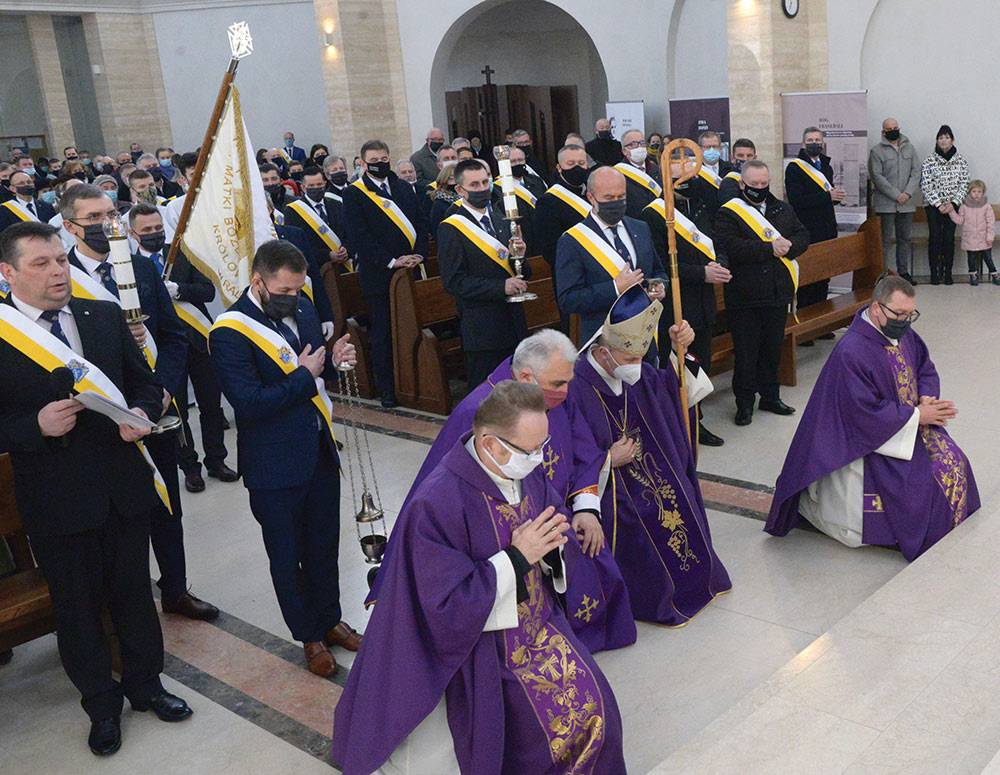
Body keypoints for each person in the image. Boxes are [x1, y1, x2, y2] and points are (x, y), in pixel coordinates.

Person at [332, 380, 626, 775]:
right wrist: (517, 558)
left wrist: (555, 544)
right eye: (531, 450)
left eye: (543, 447)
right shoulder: (437, 503)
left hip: (541, 625)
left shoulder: (525, 471)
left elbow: (555, 520)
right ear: (489, 444)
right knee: (543, 735)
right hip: (482, 645)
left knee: (599, 707)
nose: (539, 459)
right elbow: (445, 607)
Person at [0, 222, 193, 756]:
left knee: (134, 592)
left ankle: (147, 686)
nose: (58, 271)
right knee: (77, 607)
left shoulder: (102, 315)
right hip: (56, 498)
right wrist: (32, 426)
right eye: (41, 264)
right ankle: (101, 707)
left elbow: (148, 382)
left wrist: (143, 411)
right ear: (8, 272)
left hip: (122, 484)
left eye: (61, 260)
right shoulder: (3, 335)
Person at [374, 328, 636, 653]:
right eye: (558, 384)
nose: (566, 393)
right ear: (526, 375)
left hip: (553, 511)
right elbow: (446, 495)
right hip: (498, 535)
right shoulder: (479, 412)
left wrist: (585, 507)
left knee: (593, 557)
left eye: (569, 382)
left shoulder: (548, 393)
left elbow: (582, 448)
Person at [61, 187, 218, 621]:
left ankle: (175, 589)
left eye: (111, 214)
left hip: (155, 406)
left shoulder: (143, 267)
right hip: (102, 413)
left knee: (167, 503)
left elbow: (170, 335)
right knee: (116, 517)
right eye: (93, 217)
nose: (106, 223)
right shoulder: (64, 277)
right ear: (71, 227)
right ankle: (122, 604)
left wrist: (165, 387)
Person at [209, 239, 361, 676]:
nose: (293, 298)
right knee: (287, 553)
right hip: (273, 463)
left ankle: (331, 619)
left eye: (299, 289)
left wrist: (335, 361)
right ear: (258, 282)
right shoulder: (229, 332)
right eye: (285, 291)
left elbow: (319, 368)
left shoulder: (304, 307)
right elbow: (250, 403)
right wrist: (305, 375)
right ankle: (309, 635)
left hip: (317, 448)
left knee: (324, 543)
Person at [766, 276, 980, 560]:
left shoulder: (901, 334)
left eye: (910, 314)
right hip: (868, 440)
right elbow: (861, 414)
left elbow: (925, 368)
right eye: (899, 314)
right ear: (877, 308)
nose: (905, 321)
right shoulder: (852, 351)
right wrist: (917, 415)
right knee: (922, 483)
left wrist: (926, 397)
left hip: (907, 424)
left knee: (955, 461)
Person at [567, 283, 732, 624]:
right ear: (602, 353)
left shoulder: (632, 370)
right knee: (640, 515)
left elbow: (668, 391)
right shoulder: (574, 387)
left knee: (680, 492)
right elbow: (567, 452)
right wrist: (608, 459)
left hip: (649, 466)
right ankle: (657, 598)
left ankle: (701, 580)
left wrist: (679, 350)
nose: (636, 367)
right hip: (604, 486)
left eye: (641, 358)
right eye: (629, 359)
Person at [715, 160, 810, 426]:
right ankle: (744, 404)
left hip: (777, 292)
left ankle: (770, 396)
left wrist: (790, 246)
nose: (759, 188)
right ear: (742, 184)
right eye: (754, 184)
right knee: (746, 353)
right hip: (745, 295)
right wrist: (769, 249)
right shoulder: (729, 212)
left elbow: (803, 235)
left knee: (772, 349)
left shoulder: (782, 208)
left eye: (764, 184)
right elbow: (730, 246)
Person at [643, 159, 730, 446]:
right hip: (676, 307)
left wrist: (720, 265)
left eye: (690, 176)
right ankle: (673, 423)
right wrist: (701, 273)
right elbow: (658, 265)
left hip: (704, 304)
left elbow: (717, 243)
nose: (687, 183)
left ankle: (696, 421)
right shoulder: (652, 215)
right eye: (679, 179)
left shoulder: (701, 207)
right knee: (676, 367)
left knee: (698, 364)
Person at [343, 139, 428, 407]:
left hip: (412, 270)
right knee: (384, 333)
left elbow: (420, 222)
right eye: (374, 161)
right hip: (380, 274)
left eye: (384, 159)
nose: (380, 164)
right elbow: (359, 236)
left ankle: (418, 382)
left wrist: (419, 254)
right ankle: (388, 389)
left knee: (413, 327)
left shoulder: (402, 187)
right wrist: (392, 261)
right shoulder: (355, 193)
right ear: (362, 163)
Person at [438, 160, 531, 385]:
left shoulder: (500, 219)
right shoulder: (451, 228)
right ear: (460, 190)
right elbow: (454, 282)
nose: (481, 189)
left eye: (484, 182)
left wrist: (518, 256)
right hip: (483, 329)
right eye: (474, 185)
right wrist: (501, 287)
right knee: (487, 400)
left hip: (513, 323)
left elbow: (522, 273)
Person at [555, 166, 666, 349]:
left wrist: (658, 287)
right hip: (604, 342)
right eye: (608, 198)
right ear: (591, 198)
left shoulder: (641, 228)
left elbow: (657, 271)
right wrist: (615, 288)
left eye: (621, 197)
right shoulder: (572, 240)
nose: (616, 203)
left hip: (644, 337)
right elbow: (569, 299)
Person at [785, 126, 847, 314]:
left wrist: (834, 198)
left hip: (827, 227)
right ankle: (806, 323)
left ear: (822, 143)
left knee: (824, 276)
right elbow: (796, 200)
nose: (814, 144)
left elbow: (827, 197)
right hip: (807, 229)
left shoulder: (825, 166)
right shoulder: (795, 168)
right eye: (810, 141)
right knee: (809, 276)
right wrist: (827, 197)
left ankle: (821, 322)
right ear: (803, 144)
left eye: (817, 140)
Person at [868, 118, 921, 283]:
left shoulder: (910, 149)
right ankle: (882, 274)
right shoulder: (876, 151)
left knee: (903, 239)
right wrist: (896, 195)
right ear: (883, 132)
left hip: (907, 204)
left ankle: (903, 273)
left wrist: (907, 193)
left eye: (895, 127)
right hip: (886, 205)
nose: (893, 130)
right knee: (883, 241)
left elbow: (916, 172)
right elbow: (877, 177)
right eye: (889, 128)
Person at [920, 125, 970, 285]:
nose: (944, 140)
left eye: (947, 137)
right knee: (934, 238)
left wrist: (953, 203)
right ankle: (934, 273)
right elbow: (925, 184)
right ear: (937, 140)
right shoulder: (929, 160)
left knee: (948, 239)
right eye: (941, 137)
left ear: (952, 140)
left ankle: (948, 273)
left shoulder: (961, 160)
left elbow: (964, 183)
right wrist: (938, 204)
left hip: (953, 206)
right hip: (933, 207)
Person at [534, 144, 592, 269]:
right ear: (559, 168)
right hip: (572, 271)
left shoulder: (594, 193)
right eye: (571, 164)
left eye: (581, 163)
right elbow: (551, 250)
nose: (577, 167)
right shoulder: (547, 202)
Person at [283, 166, 352, 272]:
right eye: (311, 185)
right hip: (317, 270)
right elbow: (297, 245)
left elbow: (350, 231)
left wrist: (346, 248)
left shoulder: (337, 204)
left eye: (319, 184)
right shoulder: (292, 211)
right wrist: (327, 255)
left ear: (324, 184)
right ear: (303, 188)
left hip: (345, 265)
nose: (316, 188)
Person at [949, 179, 998, 285]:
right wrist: (951, 212)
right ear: (969, 192)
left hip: (983, 237)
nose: (976, 194)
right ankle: (973, 275)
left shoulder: (986, 206)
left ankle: (994, 274)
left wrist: (990, 236)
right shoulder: (964, 206)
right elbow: (960, 221)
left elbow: (990, 223)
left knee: (987, 257)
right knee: (971, 257)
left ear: (983, 192)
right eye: (974, 191)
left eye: (979, 192)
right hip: (969, 237)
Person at [615, 129, 662, 218]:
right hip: (634, 224)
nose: (639, 147)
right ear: (624, 151)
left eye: (642, 143)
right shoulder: (617, 174)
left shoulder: (657, 170)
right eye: (634, 144)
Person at [694, 130, 735, 216]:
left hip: (726, 216)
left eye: (715, 146)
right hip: (704, 218)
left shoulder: (730, 169)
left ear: (720, 148)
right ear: (700, 149)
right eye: (707, 147)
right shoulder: (693, 171)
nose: (712, 150)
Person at [428, 164, 460, 237]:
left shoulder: (466, 200)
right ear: (444, 180)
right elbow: (437, 231)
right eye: (451, 178)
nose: (455, 182)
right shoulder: (439, 204)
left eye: (458, 178)